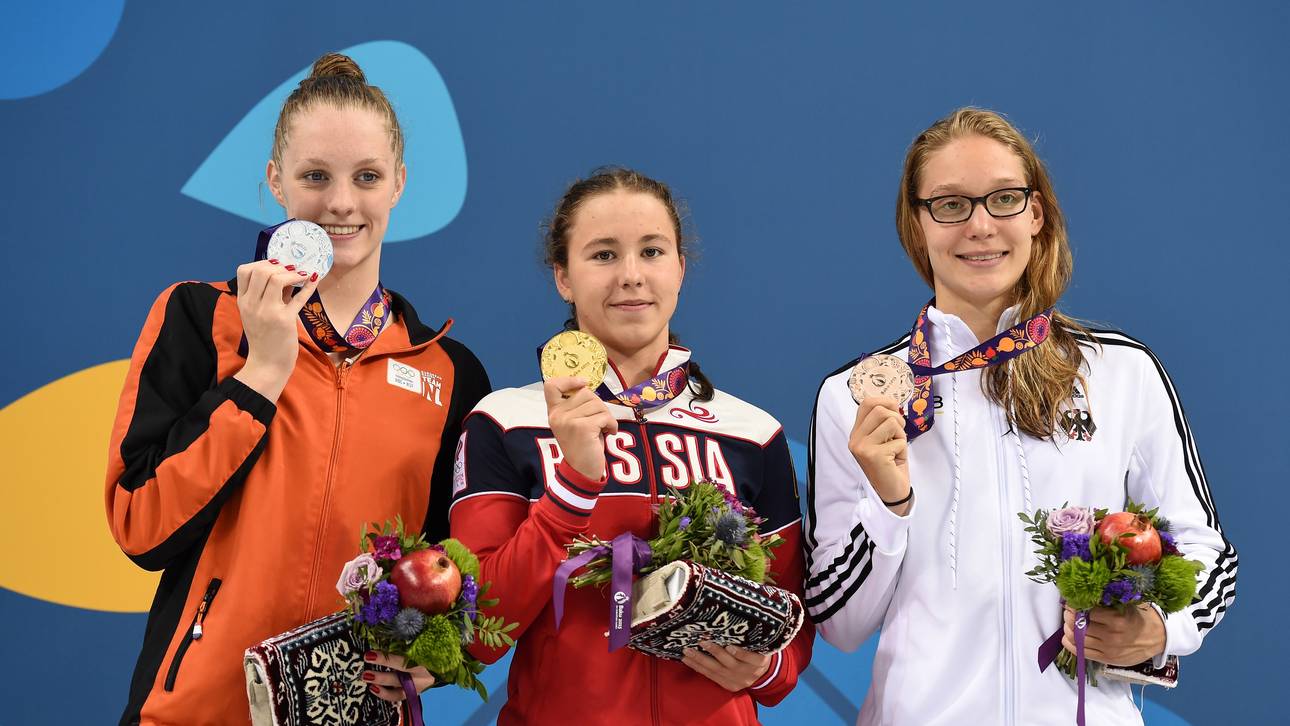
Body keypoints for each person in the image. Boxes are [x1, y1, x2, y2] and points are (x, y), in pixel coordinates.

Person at [804, 108, 1237, 725]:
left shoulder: (1121, 373)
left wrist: (1159, 628)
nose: (980, 226)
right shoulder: (855, 396)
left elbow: (1207, 553)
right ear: (917, 224)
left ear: (1036, 214)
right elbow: (840, 625)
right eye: (950, 204)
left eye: (1004, 199)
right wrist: (888, 505)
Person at [104, 52, 489, 725]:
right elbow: (140, 528)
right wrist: (261, 376)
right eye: (315, 176)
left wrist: (448, 648)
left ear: (398, 184)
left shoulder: (450, 372)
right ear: (275, 181)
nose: (341, 202)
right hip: (200, 708)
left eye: (366, 176)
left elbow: (461, 570)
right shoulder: (200, 317)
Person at [449, 167, 813, 724]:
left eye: (651, 251)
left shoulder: (752, 434)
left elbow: (789, 634)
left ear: (680, 270)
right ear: (563, 278)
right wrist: (571, 487)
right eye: (602, 255)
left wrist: (763, 667)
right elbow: (477, 633)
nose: (631, 276)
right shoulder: (506, 421)